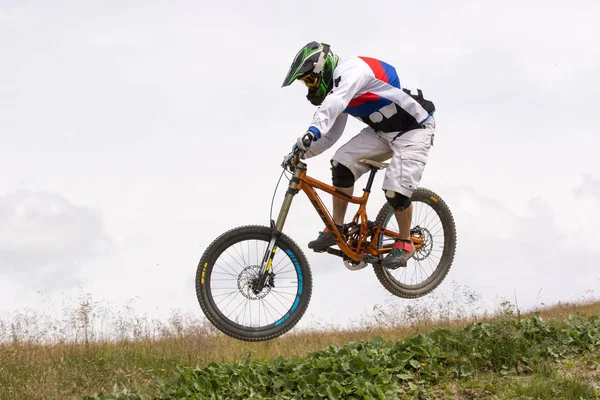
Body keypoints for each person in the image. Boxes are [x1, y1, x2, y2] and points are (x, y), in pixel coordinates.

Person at [281, 41, 436, 269]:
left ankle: (405, 242)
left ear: (322, 68)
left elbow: (333, 104)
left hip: (414, 128)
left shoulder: (351, 71)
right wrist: (300, 152)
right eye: (306, 83)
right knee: (342, 164)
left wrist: (311, 131)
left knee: (395, 189)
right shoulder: (339, 88)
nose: (310, 87)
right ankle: (338, 228)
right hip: (382, 132)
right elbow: (331, 133)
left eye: (310, 80)